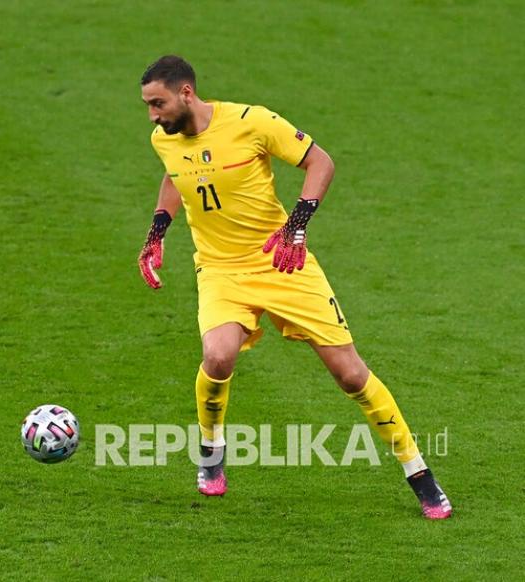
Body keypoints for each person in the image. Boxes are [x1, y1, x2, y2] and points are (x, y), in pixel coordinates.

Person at [137, 55, 452, 519]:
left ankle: (419, 472)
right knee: (217, 355)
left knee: (349, 373)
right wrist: (157, 230)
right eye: (147, 106)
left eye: (158, 103)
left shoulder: (251, 121)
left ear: (186, 93)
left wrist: (298, 224)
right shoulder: (164, 138)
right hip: (222, 269)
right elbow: (175, 175)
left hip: (282, 260)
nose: (152, 115)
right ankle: (210, 451)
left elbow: (320, 162)